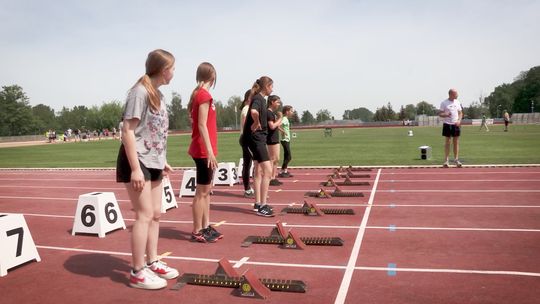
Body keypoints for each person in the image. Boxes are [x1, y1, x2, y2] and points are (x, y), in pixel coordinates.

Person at [116, 49, 179, 290]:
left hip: (154, 161)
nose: (174, 72)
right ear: (164, 70)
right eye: (172, 68)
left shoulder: (159, 95)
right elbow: (128, 131)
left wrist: (161, 159)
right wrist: (135, 169)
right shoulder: (139, 92)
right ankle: (137, 271)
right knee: (143, 215)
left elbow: (154, 132)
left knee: (156, 213)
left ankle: (152, 261)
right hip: (137, 161)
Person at [187, 62, 222, 243]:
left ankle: (205, 225)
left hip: (206, 148)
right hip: (202, 150)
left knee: (207, 190)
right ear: (213, 76)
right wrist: (209, 151)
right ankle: (197, 230)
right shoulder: (203, 95)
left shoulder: (201, 94)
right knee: (201, 192)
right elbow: (201, 124)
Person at [243, 76, 275, 217]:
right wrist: (256, 122)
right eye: (271, 86)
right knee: (268, 170)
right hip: (256, 139)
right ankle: (263, 205)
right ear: (266, 86)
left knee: (258, 171)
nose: (272, 89)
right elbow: (253, 112)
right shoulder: (258, 99)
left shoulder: (261, 99)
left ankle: (257, 203)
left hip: (255, 139)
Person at [438, 88, 463, 168]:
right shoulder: (444, 103)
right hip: (447, 124)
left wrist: (459, 120)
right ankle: (446, 160)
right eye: (456, 94)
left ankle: (456, 160)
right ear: (451, 94)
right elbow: (440, 114)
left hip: (456, 124)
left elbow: (460, 113)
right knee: (447, 142)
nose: (457, 95)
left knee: (456, 142)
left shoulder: (457, 102)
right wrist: (445, 114)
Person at [239, 90, 254, 197]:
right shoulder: (246, 109)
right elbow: (245, 126)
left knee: (249, 163)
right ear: (248, 98)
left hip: (249, 139)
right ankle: (247, 189)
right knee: (249, 164)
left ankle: (249, 187)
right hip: (247, 138)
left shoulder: (250, 109)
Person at [266, 95, 283, 186]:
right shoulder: (268, 113)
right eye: (277, 102)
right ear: (272, 102)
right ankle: (270, 178)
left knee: (276, 159)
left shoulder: (272, 113)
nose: (278, 104)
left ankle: (273, 177)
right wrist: (280, 118)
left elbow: (276, 125)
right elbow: (272, 126)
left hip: (275, 138)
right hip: (271, 139)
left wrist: (280, 118)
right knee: (272, 159)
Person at [278, 105, 294, 178]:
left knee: (286, 156)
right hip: (284, 140)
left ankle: (285, 171)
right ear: (287, 112)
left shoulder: (286, 119)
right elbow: (278, 126)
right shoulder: (284, 119)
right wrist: (283, 132)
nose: (292, 112)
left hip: (287, 139)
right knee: (289, 157)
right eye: (291, 111)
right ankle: (281, 170)